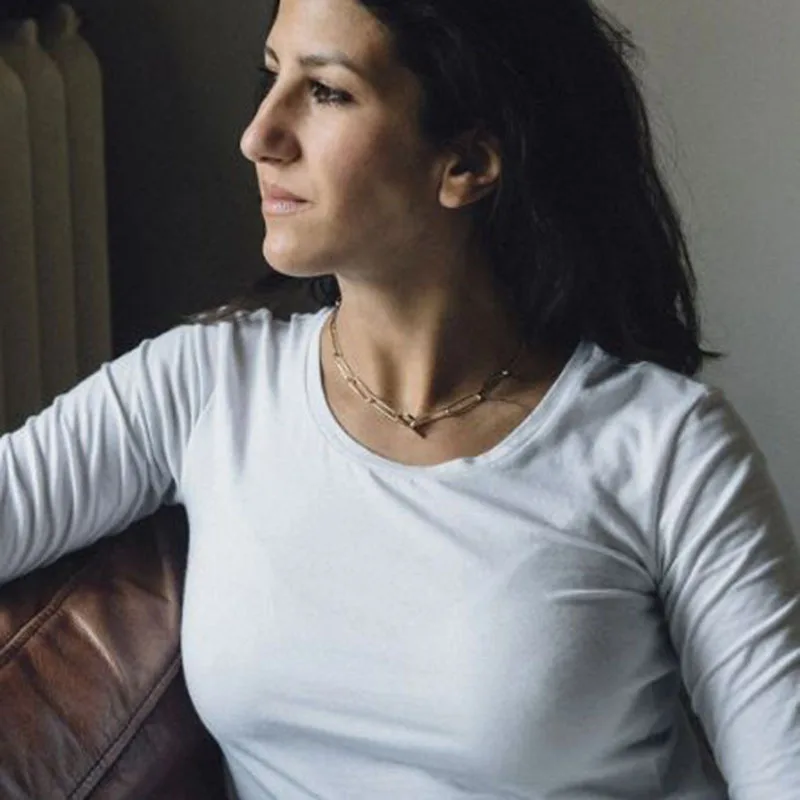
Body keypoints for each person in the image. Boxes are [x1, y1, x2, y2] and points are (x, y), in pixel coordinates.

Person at [1, 0, 799, 797]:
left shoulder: (668, 448)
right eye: (272, 76)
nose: (259, 135)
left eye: (327, 92)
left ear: (468, 163)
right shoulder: (205, 385)